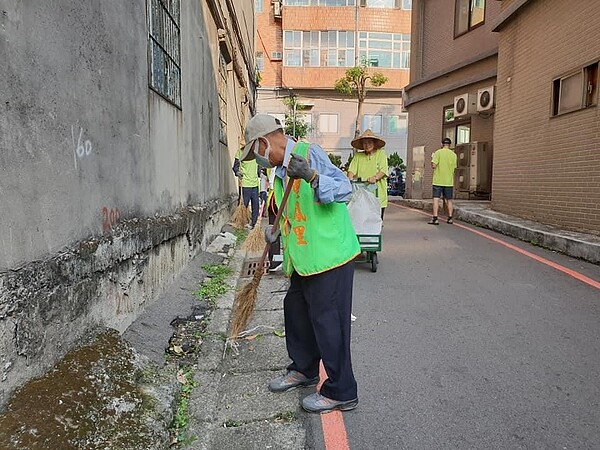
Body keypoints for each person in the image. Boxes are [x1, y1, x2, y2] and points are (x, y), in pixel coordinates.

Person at [239, 114, 360, 414]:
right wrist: (275, 231)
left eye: (255, 152)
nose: (257, 159)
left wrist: (313, 177)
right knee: (296, 313)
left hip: (330, 256)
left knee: (329, 323)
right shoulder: (280, 174)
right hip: (304, 261)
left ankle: (341, 390)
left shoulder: (309, 154)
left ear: (265, 142)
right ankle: (304, 369)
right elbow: (294, 212)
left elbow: (346, 189)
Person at [347, 129, 389, 219]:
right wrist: (350, 178)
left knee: (376, 223)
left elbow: (383, 171)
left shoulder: (381, 154)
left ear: (374, 143)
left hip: (378, 196)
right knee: (361, 222)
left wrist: (375, 178)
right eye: (364, 143)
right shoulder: (358, 156)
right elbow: (351, 170)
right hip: (362, 196)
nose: (367, 145)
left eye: (369, 142)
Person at [428, 137, 458, 225]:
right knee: (449, 200)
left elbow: (433, 166)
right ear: (450, 145)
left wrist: (432, 158)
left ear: (442, 144)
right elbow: (454, 168)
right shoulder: (454, 155)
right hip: (449, 181)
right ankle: (450, 218)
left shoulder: (438, 153)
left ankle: (435, 218)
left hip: (438, 180)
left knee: (436, 199)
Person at [232, 148, 261, 228]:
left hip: (255, 184)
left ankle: (254, 224)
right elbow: (235, 167)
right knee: (243, 205)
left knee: (256, 205)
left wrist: (260, 173)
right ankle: (241, 222)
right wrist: (237, 172)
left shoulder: (256, 153)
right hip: (245, 184)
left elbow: (259, 167)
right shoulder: (240, 152)